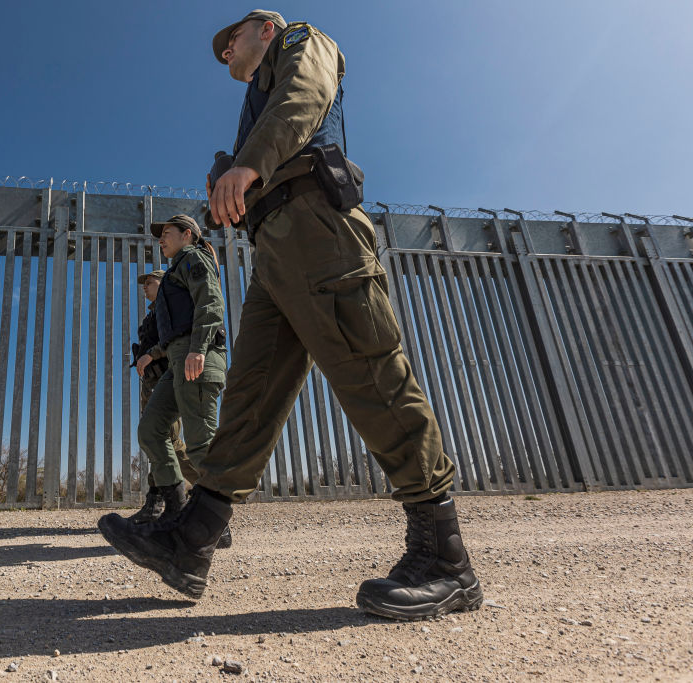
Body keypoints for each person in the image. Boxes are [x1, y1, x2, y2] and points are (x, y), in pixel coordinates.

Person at [98, 10, 482, 620]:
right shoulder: (256, 95)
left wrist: (250, 165)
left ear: (267, 29)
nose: (226, 53)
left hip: (317, 228)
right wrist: (239, 184)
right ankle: (191, 540)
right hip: (275, 247)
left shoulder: (304, 42)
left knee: (371, 375)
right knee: (251, 393)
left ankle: (445, 559)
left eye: (233, 40)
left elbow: (305, 96)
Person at [98, 215, 232, 547]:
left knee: (200, 443)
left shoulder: (193, 258)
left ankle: (215, 525)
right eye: (160, 236)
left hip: (195, 356)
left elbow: (211, 303)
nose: (161, 239)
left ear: (188, 234)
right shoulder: (175, 270)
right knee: (151, 430)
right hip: (177, 360)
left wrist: (199, 349)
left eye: (167, 233)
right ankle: (175, 513)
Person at [129, 268, 199, 523]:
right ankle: (157, 501)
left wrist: (152, 355)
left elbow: (178, 339)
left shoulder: (171, 307)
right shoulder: (153, 314)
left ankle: (211, 486)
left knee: (166, 439)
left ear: (164, 283)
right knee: (154, 440)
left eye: (150, 281)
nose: (145, 286)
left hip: (165, 379)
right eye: (144, 282)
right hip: (151, 382)